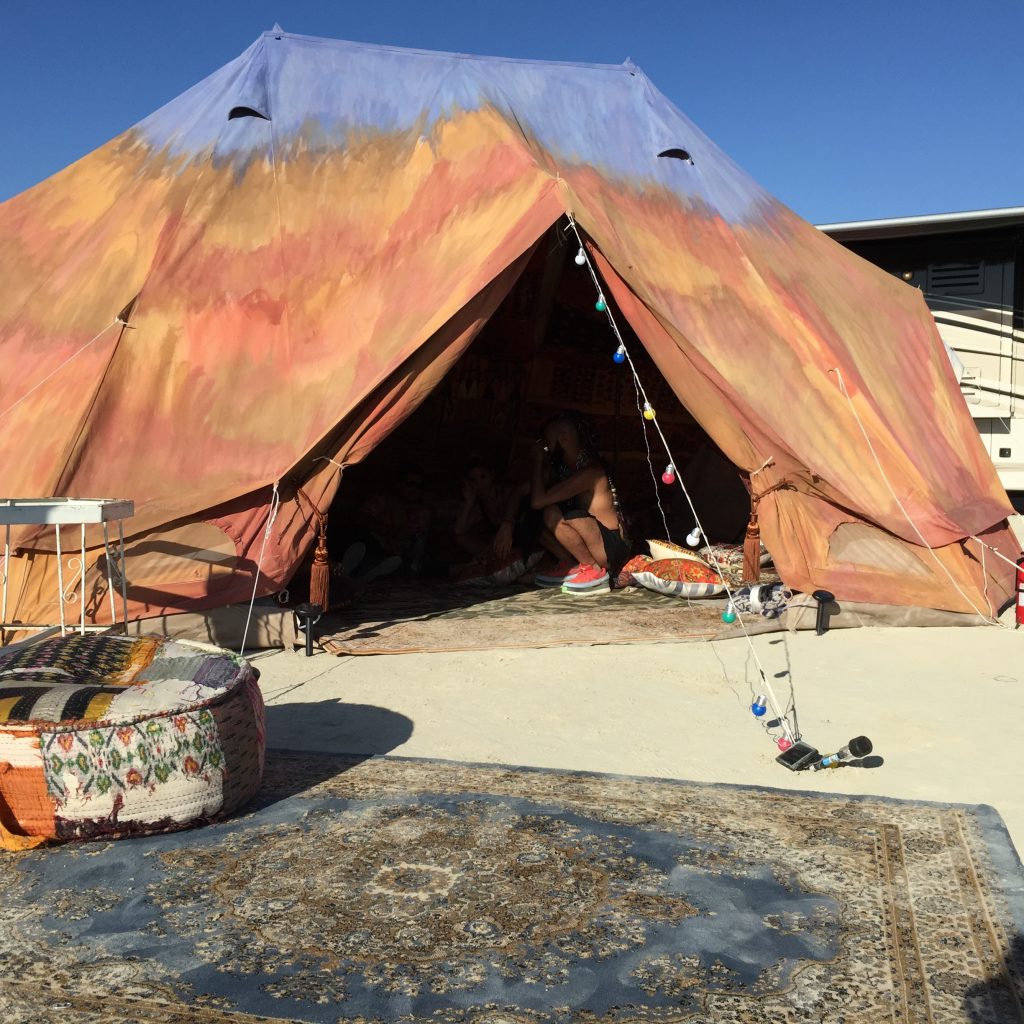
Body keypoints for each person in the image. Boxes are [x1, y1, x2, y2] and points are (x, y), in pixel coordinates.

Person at [529, 413, 630, 589]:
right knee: (538, 517)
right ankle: (571, 564)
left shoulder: (591, 471)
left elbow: (538, 500)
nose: (545, 444)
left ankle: (594, 570)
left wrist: (537, 459)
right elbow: (525, 494)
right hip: (595, 542)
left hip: (610, 547)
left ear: (564, 439)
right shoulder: (566, 469)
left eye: (548, 440)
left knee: (565, 514)